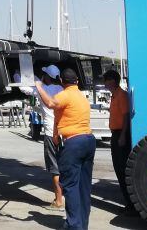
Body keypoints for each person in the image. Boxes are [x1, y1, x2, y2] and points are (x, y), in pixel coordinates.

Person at [36, 67, 96, 230]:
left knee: (70, 186)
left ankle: (73, 225)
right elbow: (60, 116)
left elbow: (49, 103)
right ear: (76, 81)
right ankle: (82, 224)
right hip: (89, 140)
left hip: (73, 143)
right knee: (84, 186)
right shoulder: (81, 96)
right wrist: (56, 135)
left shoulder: (65, 94)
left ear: (62, 81)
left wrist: (38, 86)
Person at [103, 69, 134, 212]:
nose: (105, 84)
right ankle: (128, 202)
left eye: (107, 80)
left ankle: (130, 204)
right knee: (118, 168)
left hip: (121, 135)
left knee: (122, 169)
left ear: (113, 81)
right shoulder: (114, 96)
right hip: (116, 134)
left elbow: (127, 116)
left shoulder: (121, 95)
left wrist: (122, 136)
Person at [35, 64, 65, 209]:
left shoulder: (42, 90)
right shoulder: (61, 90)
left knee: (54, 168)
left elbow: (24, 87)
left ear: (47, 76)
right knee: (64, 166)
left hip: (50, 133)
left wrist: (17, 72)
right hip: (63, 133)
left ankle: (58, 200)